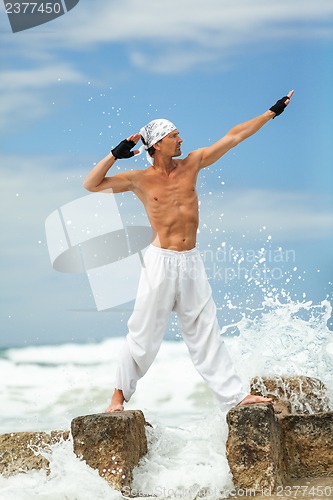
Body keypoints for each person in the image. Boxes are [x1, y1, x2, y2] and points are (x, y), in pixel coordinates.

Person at [83, 91, 294, 412]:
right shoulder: (138, 179)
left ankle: (234, 397)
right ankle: (118, 397)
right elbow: (91, 184)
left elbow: (234, 136)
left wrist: (271, 112)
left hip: (191, 261)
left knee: (205, 329)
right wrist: (114, 154)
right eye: (174, 135)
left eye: (178, 134)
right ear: (157, 145)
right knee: (143, 332)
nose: (181, 139)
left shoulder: (192, 163)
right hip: (160, 261)